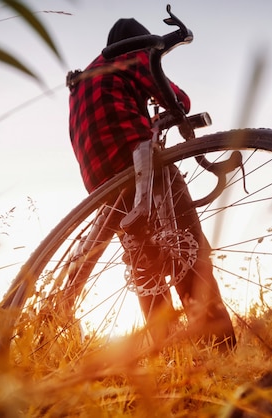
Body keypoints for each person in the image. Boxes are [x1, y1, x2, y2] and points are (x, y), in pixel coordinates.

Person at [67, 18, 235, 349]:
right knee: (188, 249)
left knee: (146, 267)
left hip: (103, 185)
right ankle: (219, 350)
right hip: (138, 161)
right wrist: (164, 113)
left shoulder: (82, 81)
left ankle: (166, 353)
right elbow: (177, 99)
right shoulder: (129, 56)